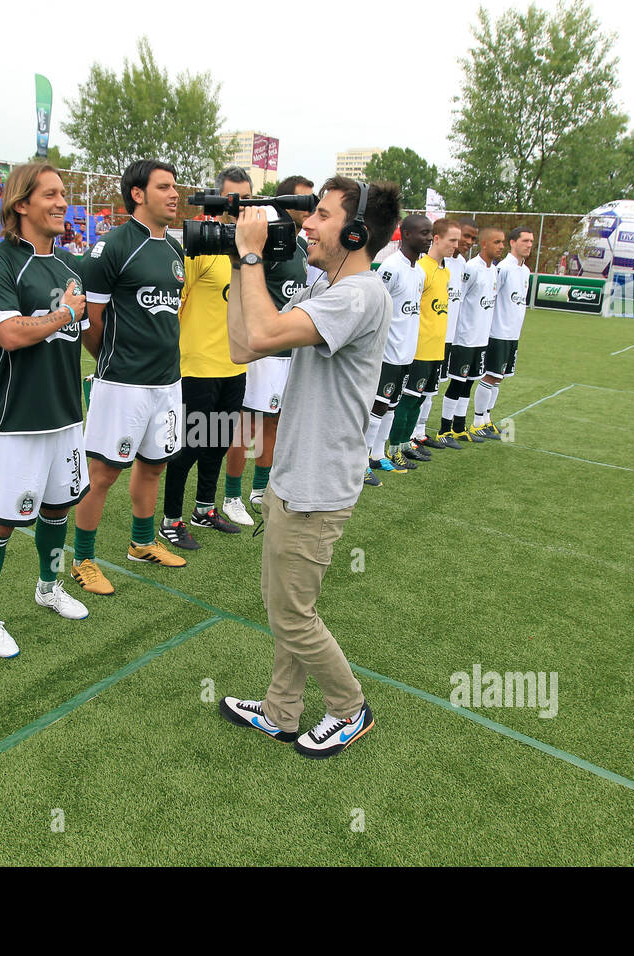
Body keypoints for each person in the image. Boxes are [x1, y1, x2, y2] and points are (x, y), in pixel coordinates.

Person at [220, 177, 400, 759]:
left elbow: (267, 330)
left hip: (318, 485)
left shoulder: (359, 295)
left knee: (293, 614)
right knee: (286, 606)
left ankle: (350, 708)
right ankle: (281, 711)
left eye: (321, 216)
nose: (307, 225)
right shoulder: (327, 286)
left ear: (355, 231)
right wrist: (237, 267)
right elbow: (245, 347)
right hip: (296, 476)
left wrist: (250, 255)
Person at [0, 161, 92, 658]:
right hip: (18, 419)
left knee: (59, 508)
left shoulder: (69, 268)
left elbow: (72, 339)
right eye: (51, 195)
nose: (63, 203)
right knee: (1, 521)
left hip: (65, 415)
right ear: (21, 204)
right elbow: (9, 335)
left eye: (64, 194)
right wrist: (64, 313)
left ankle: (48, 585)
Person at [69, 159, 188, 596]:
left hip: (167, 382)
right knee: (102, 472)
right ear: (138, 194)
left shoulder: (175, 250)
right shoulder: (113, 247)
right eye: (164, 187)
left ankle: (141, 543)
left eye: (174, 187)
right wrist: (113, 362)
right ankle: (82, 559)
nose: (175, 195)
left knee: (154, 464)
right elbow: (90, 320)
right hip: (122, 382)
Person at [157, 166, 252, 551]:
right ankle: (170, 520)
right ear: (218, 199)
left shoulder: (250, 250)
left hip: (235, 365)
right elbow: (177, 306)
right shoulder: (199, 247)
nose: (239, 205)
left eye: (246, 197)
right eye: (232, 197)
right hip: (197, 366)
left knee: (219, 442)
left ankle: (204, 509)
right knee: (191, 445)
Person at [221, 174, 314, 523]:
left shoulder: (303, 246)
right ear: (284, 201)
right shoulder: (266, 241)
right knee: (245, 427)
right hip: (263, 352)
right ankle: (231, 496)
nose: (309, 208)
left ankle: (260, 488)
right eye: (302, 200)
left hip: (290, 350)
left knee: (273, 422)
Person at [366, 213, 429, 479]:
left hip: (406, 352)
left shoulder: (420, 271)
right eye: (423, 233)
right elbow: (376, 306)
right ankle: (361, 464)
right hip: (388, 352)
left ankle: (378, 455)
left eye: (430, 233)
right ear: (406, 235)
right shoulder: (391, 267)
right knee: (378, 406)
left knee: (392, 404)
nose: (428, 238)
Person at [390, 218, 458, 455]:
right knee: (408, 398)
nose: (456, 245)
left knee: (420, 398)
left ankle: (408, 442)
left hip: (437, 347)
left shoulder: (445, 271)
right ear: (437, 239)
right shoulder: (422, 269)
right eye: (452, 240)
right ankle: (395, 446)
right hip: (418, 346)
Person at [442, 225, 505, 442]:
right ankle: (444, 429)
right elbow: (459, 301)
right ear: (485, 244)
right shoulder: (470, 268)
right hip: (464, 338)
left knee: (468, 383)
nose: (501, 247)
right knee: (458, 382)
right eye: (497, 242)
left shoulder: (493, 270)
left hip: (481, 338)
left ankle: (460, 427)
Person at [472, 225, 533, 437]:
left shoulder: (525, 271)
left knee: (499, 377)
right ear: (513, 243)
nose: (529, 245)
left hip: (513, 334)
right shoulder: (503, 268)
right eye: (525, 241)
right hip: (497, 333)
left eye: (531, 242)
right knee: (490, 376)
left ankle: (487, 418)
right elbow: (492, 297)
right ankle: (478, 421)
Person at [436, 216, 479, 448]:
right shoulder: (432, 262)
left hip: (453, 336)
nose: (469, 241)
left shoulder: (462, 264)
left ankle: (443, 430)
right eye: (466, 236)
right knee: (412, 390)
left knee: (432, 388)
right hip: (429, 335)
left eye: (473, 238)